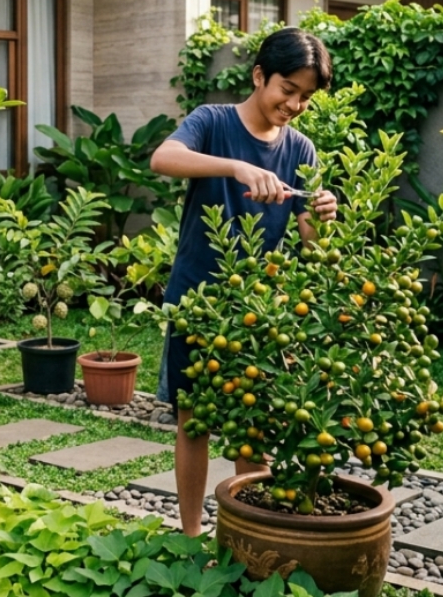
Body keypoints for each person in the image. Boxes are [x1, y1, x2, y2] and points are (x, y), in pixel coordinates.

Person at [149, 26, 340, 535]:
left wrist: (323, 213)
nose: (295, 104)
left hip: (260, 310)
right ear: (259, 76)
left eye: (305, 96)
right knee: (195, 423)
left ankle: (251, 539)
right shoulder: (212, 122)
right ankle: (190, 534)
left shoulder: (301, 150)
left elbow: (310, 242)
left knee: (254, 425)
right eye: (287, 89)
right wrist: (235, 168)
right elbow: (162, 158)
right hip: (196, 299)